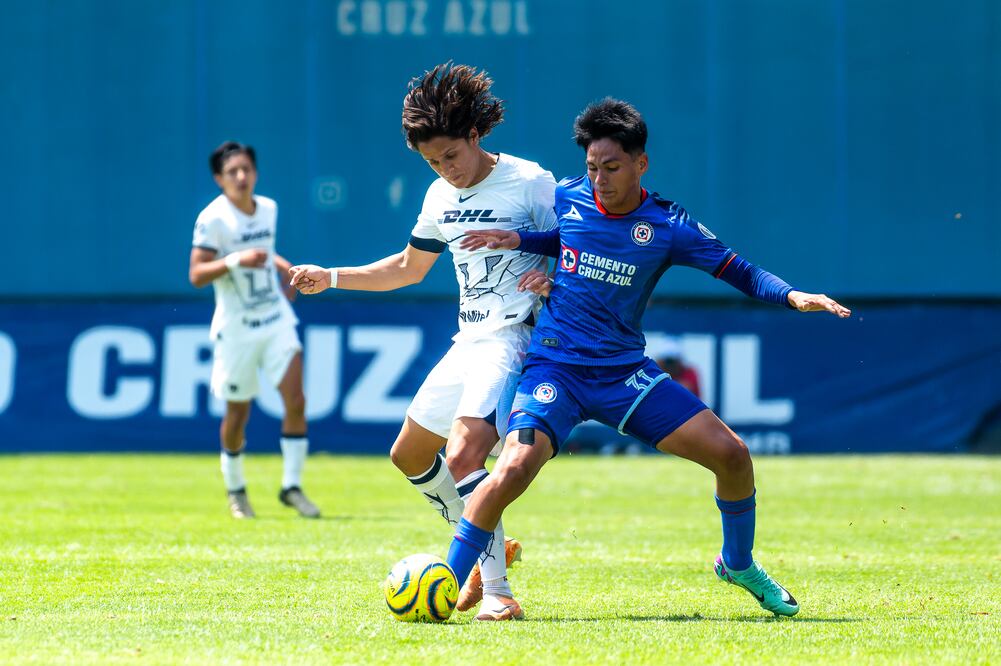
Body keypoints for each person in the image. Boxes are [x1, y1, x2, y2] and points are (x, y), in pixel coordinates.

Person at [450, 98, 852, 617]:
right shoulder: (568, 198)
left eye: (612, 167)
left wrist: (794, 295)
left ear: (641, 163)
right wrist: (525, 243)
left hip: (623, 376)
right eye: (592, 167)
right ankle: (446, 580)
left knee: (732, 456)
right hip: (555, 368)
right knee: (512, 467)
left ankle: (737, 563)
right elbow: (560, 237)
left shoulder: (667, 226)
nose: (599, 179)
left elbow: (740, 271)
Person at [288, 64, 558, 621]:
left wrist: (554, 279)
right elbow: (409, 268)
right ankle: (486, 540)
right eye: (433, 162)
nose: (445, 170)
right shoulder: (439, 197)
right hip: (471, 340)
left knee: (462, 453)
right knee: (408, 453)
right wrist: (332, 275)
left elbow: (579, 249)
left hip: (515, 338)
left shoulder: (531, 182)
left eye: (450, 156)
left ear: (475, 136)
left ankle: (500, 592)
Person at [189, 141, 321, 520]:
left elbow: (263, 249)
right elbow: (197, 274)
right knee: (237, 414)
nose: (241, 177)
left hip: (275, 317)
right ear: (219, 178)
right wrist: (234, 260)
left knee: (296, 400)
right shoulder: (213, 218)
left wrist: (286, 269)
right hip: (237, 328)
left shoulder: (268, 209)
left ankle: (291, 487)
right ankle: (236, 490)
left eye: (246, 169)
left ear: (256, 172)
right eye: (232, 172)